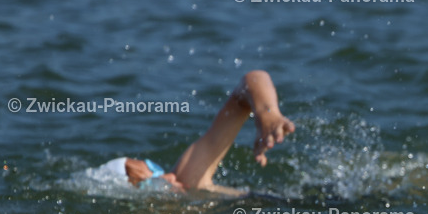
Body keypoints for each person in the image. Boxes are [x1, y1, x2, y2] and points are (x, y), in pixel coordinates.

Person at [88, 70, 295, 196]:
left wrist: (267, 114)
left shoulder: (190, 180)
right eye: (154, 178)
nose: (168, 175)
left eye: (156, 168)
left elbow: (253, 79)